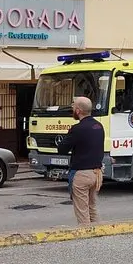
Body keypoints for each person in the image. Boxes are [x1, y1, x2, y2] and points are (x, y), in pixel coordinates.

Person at [58, 95, 105, 225]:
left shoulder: (77, 129)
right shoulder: (99, 126)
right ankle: (98, 232)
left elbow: (62, 149)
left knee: (82, 211)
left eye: (73, 106)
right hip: (97, 173)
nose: (72, 108)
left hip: (81, 174)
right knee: (92, 207)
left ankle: (86, 237)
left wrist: (67, 135)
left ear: (78, 110)